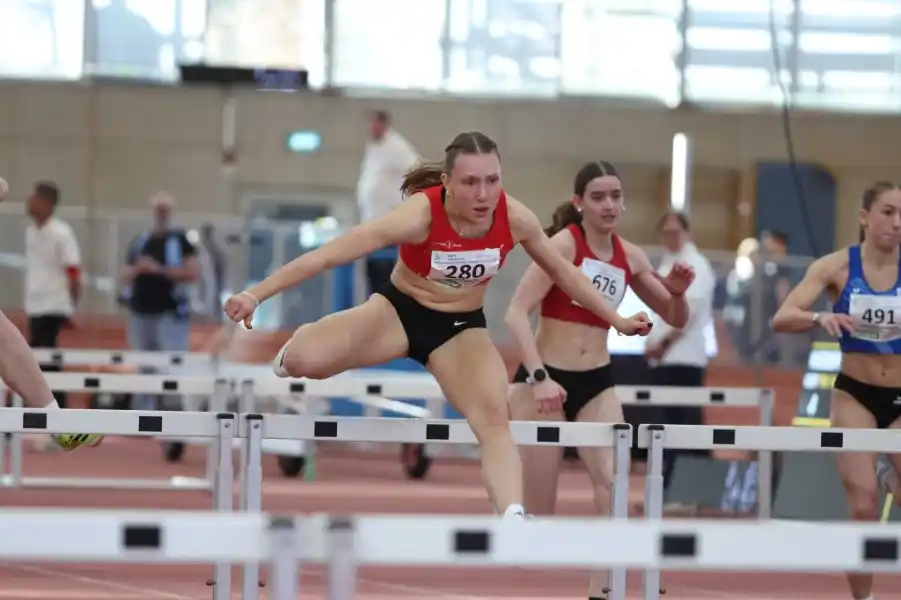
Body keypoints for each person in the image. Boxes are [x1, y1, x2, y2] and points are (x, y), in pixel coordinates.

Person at [224, 132, 652, 520]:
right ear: (446, 182)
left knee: (493, 420)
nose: (483, 194)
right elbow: (331, 254)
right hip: (398, 314)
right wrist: (256, 294)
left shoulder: (515, 218)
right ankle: (293, 353)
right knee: (305, 360)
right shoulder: (419, 216)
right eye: (470, 183)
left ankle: (513, 516)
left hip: (460, 331)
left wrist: (617, 319)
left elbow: (566, 273)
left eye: (492, 181)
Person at [503, 161, 694, 598]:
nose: (608, 205)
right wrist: (539, 377)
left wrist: (679, 293)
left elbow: (674, 316)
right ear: (579, 203)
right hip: (542, 381)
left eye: (615, 196)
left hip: (596, 383)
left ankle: (602, 591)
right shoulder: (562, 245)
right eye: (598, 197)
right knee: (538, 511)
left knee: (614, 487)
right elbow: (514, 313)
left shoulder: (632, 256)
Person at [771, 181, 901, 600]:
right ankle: (863, 598)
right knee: (863, 506)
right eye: (887, 212)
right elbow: (782, 316)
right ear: (864, 217)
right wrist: (819, 318)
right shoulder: (837, 267)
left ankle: (888, 472)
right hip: (854, 394)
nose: (897, 223)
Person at [644, 211, 716, 495]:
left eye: (675, 232)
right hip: (666, 359)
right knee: (672, 427)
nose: (670, 238)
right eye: (666, 233)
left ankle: (679, 491)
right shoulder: (667, 264)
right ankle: (677, 491)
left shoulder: (696, 265)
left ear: (687, 233)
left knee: (681, 428)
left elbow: (690, 314)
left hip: (684, 359)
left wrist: (662, 345)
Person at [120, 192, 198, 411]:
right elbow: (125, 272)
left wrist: (158, 270)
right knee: (144, 365)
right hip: (141, 312)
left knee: (171, 365)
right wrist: (138, 269)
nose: (161, 214)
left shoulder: (180, 241)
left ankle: (173, 411)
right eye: (158, 210)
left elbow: (191, 272)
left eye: (165, 210)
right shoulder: (140, 241)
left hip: (169, 313)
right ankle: (143, 414)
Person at [25, 181, 81, 412]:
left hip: (53, 306)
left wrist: (71, 305)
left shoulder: (61, 233)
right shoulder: (31, 232)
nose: (29, 201)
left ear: (46, 202)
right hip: (35, 305)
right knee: (39, 364)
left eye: (33, 197)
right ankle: (48, 412)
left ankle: (54, 414)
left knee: (42, 364)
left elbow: (73, 270)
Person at [355, 110, 420, 295]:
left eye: (375, 125)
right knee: (372, 276)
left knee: (383, 275)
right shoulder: (374, 148)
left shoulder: (397, 147)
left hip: (387, 221)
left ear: (384, 125)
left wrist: (404, 205)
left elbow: (417, 170)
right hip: (371, 221)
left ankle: (386, 307)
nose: (371, 129)